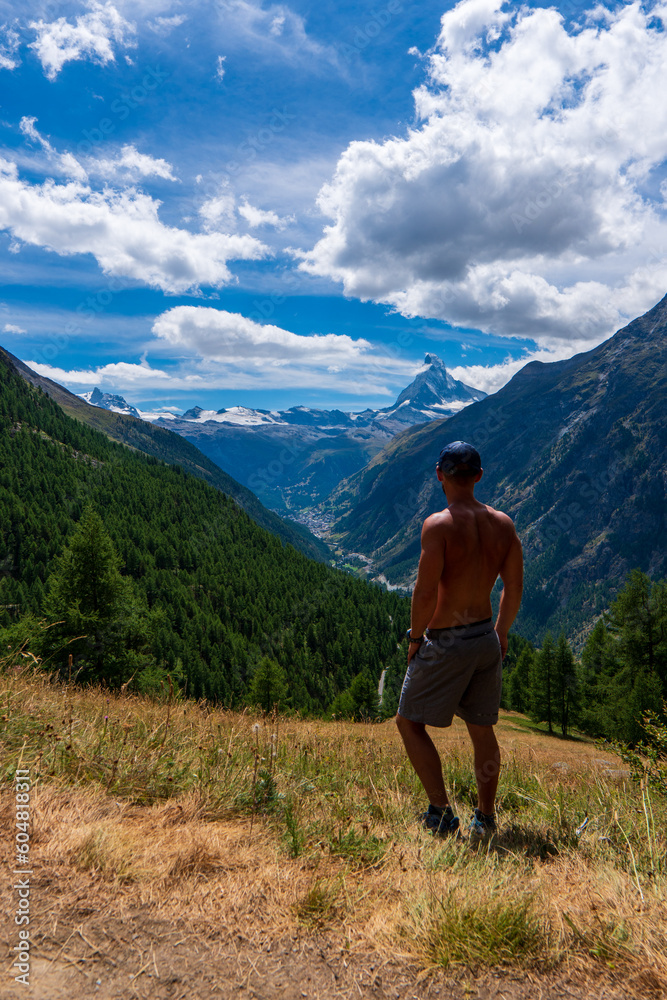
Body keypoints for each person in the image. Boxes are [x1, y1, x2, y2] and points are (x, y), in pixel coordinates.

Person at [395, 440, 523, 840]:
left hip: (447, 640)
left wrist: (416, 638)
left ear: (440, 475)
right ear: (479, 477)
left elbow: (425, 592)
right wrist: (500, 632)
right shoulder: (503, 524)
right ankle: (484, 819)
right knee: (482, 729)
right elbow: (514, 587)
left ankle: (440, 812)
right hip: (485, 637)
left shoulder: (439, 525)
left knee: (408, 722)